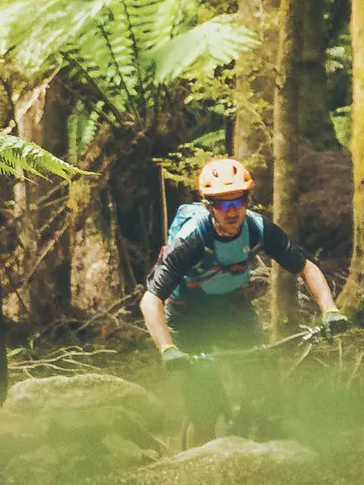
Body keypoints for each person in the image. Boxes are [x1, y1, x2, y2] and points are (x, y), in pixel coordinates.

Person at [141, 157, 346, 443]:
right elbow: (151, 300)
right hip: (189, 316)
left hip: (231, 307)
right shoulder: (192, 239)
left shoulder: (258, 229)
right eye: (223, 203)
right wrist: (167, 349)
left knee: (264, 386)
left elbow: (305, 267)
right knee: (205, 407)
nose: (232, 211)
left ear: (247, 200)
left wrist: (330, 310)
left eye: (238, 201)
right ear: (209, 206)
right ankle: (194, 470)